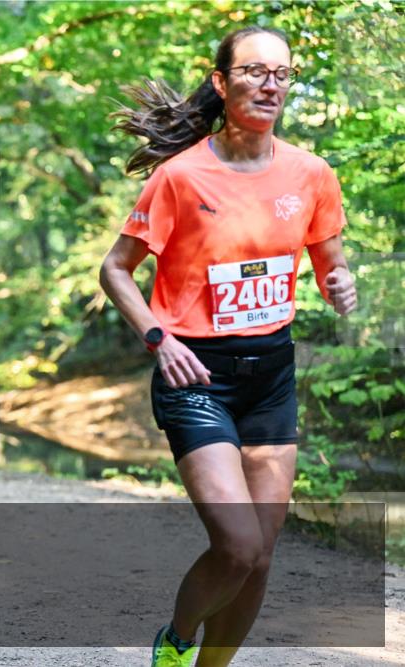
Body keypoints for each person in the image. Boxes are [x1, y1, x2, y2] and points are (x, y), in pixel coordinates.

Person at [99, 26, 357, 667]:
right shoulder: (181, 177)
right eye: (254, 71)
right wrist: (158, 338)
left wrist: (339, 284)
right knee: (238, 544)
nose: (271, 84)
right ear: (222, 82)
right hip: (196, 374)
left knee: (261, 555)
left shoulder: (311, 174)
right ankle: (176, 642)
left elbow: (330, 264)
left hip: (271, 375)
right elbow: (115, 270)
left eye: (282, 73)